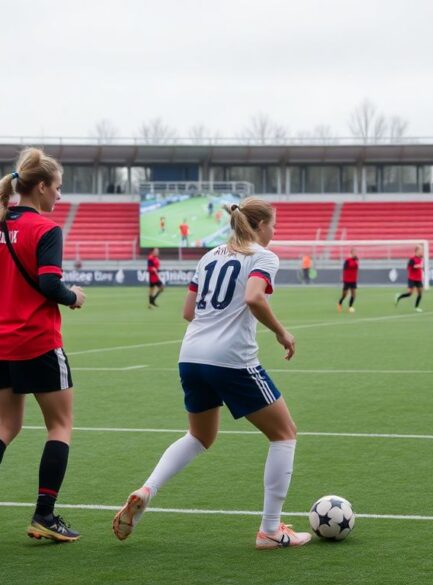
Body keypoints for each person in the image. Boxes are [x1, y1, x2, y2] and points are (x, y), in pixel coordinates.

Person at [112, 197, 311, 550]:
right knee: (284, 434)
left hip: (190, 356)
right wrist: (282, 332)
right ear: (260, 225)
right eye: (273, 225)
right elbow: (254, 297)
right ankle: (270, 530)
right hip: (231, 358)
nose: (274, 231)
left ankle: (147, 489)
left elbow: (188, 311)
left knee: (199, 436)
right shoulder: (263, 256)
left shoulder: (208, 257)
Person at [0, 148, 86, 545]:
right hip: (37, 340)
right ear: (41, 186)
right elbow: (49, 283)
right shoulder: (46, 230)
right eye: (57, 187)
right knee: (60, 426)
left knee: (6, 426)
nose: (59, 195)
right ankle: (44, 514)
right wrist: (73, 297)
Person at [395, 244, 425, 312]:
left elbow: (421, 267)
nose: (422, 251)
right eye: (421, 250)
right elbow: (409, 268)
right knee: (410, 293)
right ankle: (399, 296)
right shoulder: (412, 259)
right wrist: (417, 266)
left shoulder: (421, 259)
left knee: (420, 293)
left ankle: (416, 307)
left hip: (418, 279)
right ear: (417, 251)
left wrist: (422, 269)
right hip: (412, 278)